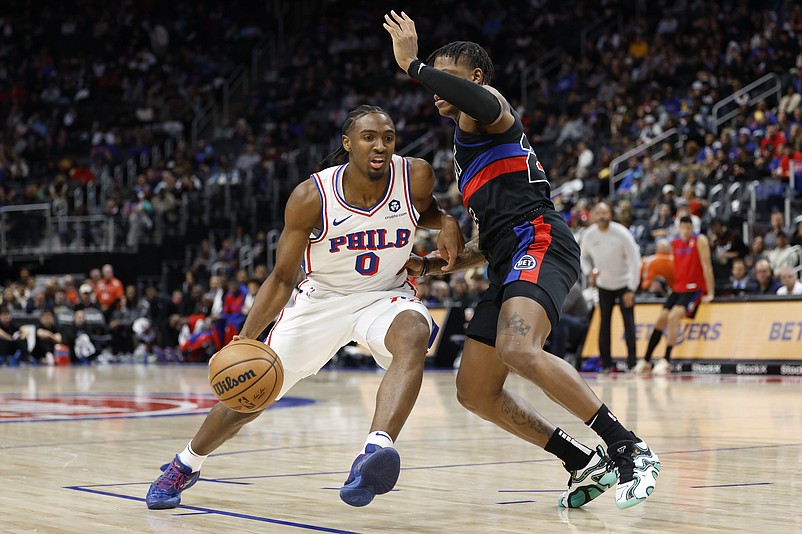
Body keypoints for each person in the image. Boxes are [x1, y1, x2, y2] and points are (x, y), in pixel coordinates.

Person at [384, 11, 659, 510]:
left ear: (475, 78)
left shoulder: (493, 109)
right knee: (475, 390)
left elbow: (479, 103)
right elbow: (487, 243)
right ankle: (579, 460)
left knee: (518, 348)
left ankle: (628, 448)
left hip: (542, 239)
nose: (435, 86)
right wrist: (433, 265)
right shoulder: (466, 155)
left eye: (447, 76)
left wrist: (415, 64)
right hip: (508, 255)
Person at [146, 105, 464, 510]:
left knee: (415, 334)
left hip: (386, 294)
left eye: (388, 137)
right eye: (369, 137)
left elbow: (426, 209)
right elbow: (281, 278)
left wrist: (447, 220)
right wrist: (244, 339)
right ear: (348, 144)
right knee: (250, 393)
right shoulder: (311, 196)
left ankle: (373, 452)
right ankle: (184, 464)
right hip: (321, 300)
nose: (380, 145)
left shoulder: (415, 173)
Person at [637, 216, 715, 375]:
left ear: (693, 228)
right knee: (660, 319)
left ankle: (666, 360)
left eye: (688, 227)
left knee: (673, 317)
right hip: (678, 289)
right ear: (679, 228)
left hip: (694, 288)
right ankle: (646, 360)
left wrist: (711, 292)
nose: (685, 230)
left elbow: (707, 266)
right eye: (683, 227)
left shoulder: (699, 240)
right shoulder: (675, 243)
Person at [580, 201, 642, 372]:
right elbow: (583, 257)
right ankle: (606, 365)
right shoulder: (589, 235)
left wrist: (632, 288)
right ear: (593, 215)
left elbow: (635, 261)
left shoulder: (622, 233)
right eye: (599, 213)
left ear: (611, 215)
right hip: (603, 285)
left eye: (605, 213)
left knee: (629, 324)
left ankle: (632, 364)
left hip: (624, 284)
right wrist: (589, 271)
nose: (602, 216)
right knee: (604, 324)